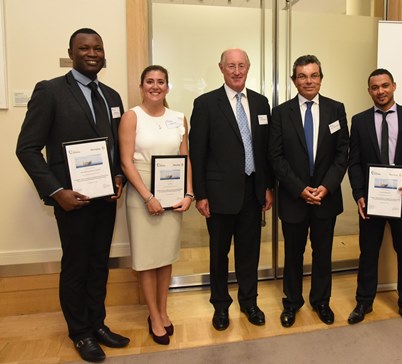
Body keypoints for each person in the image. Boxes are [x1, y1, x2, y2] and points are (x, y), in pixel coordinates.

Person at [15, 28, 129, 362]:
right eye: (84, 48)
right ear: (71, 52)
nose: (92, 53)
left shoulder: (111, 96)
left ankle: (98, 324)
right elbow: (27, 149)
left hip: (105, 199)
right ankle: (80, 333)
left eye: (97, 48)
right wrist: (56, 191)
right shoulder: (50, 91)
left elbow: (114, 148)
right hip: (72, 201)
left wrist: (119, 176)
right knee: (76, 266)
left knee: (99, 265)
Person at [189, 48, 273, 331]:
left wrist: (267, 188)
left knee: (249, 253)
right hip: (219, 194)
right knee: (219, 254)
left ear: (249, 67)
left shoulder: (262, 103)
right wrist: (201, 194)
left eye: (241, 66)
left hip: (253, 192)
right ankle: (221, 306)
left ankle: (249, 302)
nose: (236, 71)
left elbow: (265, 152)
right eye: (231, 66)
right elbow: (197, 153)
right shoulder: (205, 104)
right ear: (221, 68)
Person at [347, 68, 402, 332]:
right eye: (375, 87)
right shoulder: (359, 121)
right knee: (368, 254)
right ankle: (364, 302)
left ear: (394, 86)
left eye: (385, 86)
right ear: (369, 91)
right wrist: (359, 195)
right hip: (372, 202)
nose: (380, 91)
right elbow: (354, 163)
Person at [269, 55, 349, 327]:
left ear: (321, 78)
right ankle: (291, 303)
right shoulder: (280, 113)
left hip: (326, 198)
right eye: (302, 76)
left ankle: (321, 301)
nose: (308, 81)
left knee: (323, 253)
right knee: (293, 254)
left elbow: (342, 154)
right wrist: (300, 188)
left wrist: (326, 187)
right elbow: (276, 157)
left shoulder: (336, 109)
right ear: (294, 80)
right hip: (294, 198)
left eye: (313, 75)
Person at [118, 65, 193, 345]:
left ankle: (163, 310)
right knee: (148, 260)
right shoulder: (131, 117)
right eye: (149, 81)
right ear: (141, 86)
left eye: (161, 81)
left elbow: (185, 157)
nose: (155, 86)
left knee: (165, 257)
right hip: (142, 195)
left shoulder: (179, 118)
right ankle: (153, 314)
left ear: (167, 87)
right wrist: (148, 197)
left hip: (173, 193)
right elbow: (126, 162)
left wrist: (189, 193)